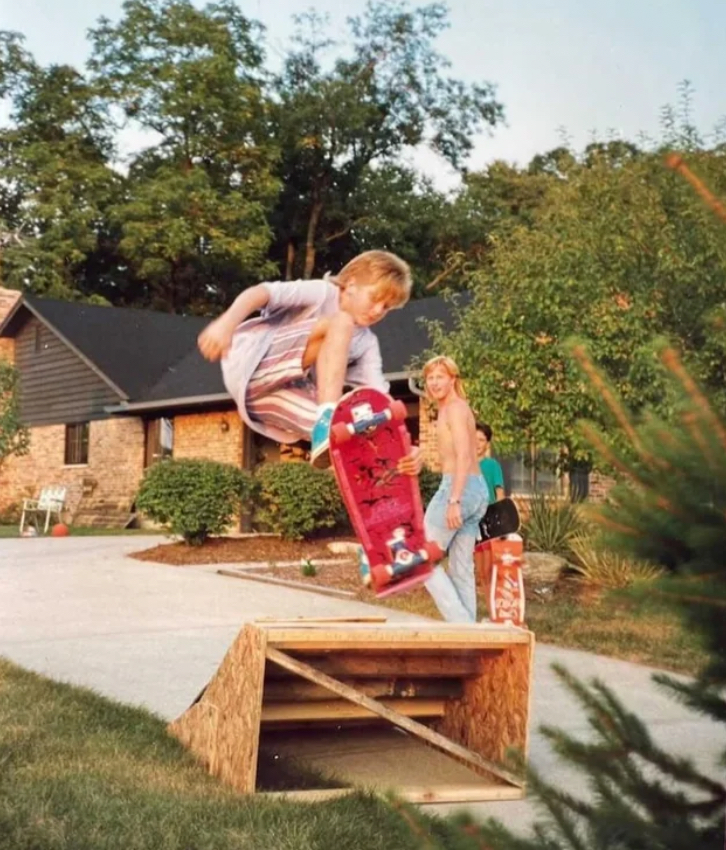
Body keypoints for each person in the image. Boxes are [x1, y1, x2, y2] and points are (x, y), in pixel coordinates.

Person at [197, 251, 412, 466]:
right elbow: (261, 293)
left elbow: (380, 399)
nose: (377, 311)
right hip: (253, 363)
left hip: (268, 400)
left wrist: (405, 448)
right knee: (342, 323)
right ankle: (325, 417)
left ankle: (340, 443)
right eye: (374, 299)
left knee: (347, 430)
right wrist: (226, 323)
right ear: (352, 285)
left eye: (386, 307)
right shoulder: (322, 292)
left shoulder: (367, 343)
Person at [421, 356, 488, 623]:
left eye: (440, 376)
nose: (434, 382)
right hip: (475, 489)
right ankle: (470, 638)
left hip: (460, 487)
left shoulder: (455, 409)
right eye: (430, 377)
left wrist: (454, 500)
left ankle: (464, 627)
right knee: (461, 569)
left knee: (422, 560)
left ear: (453, 380)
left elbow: (462, 455)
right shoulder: (451, 409)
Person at [475, 422, 505, 503]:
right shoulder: (462, 466)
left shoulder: (493, 465)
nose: (477, 443)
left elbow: (500, 495)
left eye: (481, 440)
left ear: (487, 444)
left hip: (488, 513)